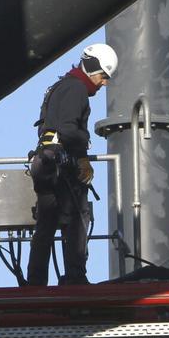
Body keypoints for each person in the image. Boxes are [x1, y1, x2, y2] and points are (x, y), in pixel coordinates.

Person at [26, 42, 118, 288]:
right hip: (60, 164)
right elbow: (68, 130)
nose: (104, 82)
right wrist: (83, 153)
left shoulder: (60, 87)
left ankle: (35, 283)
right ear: (91, 68)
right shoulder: (76, 89)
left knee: (45, 226)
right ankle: (75, 277)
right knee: (77, 219)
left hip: (44, 163)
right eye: (103, 75)